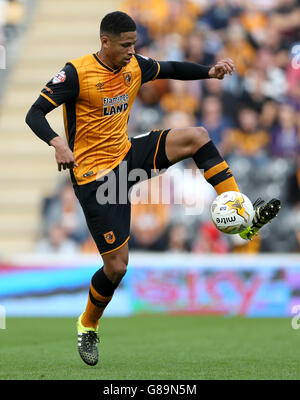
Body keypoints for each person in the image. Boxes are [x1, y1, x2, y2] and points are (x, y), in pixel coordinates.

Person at [26, 11, 280, 366]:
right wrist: (57, 142)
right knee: (116, 268)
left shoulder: (134, 66)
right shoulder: (76, 73)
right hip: (96, 179)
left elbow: (170, 68)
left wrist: (209, 71)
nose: (133, 51)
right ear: (105, 42)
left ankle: (242, 214)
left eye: (134, 44)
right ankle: (88, 325)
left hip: (127, 154)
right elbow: (35, 113)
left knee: (197, 137)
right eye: (126, 45)